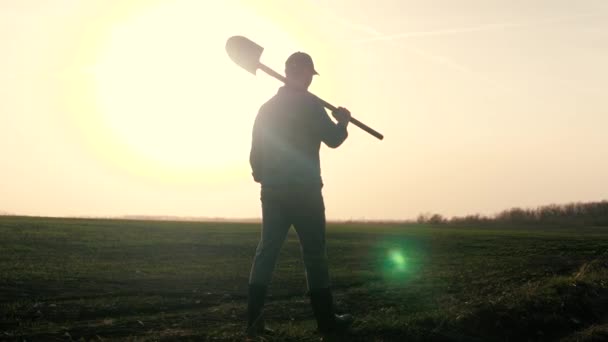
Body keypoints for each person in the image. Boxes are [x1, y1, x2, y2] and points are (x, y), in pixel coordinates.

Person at [246, 51, 354, 337]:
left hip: (273, 190)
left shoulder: (267, 108)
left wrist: (264, 178)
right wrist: (342, 121)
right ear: (305, 73)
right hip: (305, 191)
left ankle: (253, 322)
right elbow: (332, 139)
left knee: (266, 251)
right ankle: (326, 322)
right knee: (315, 254)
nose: (309, 80)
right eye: (309, 74)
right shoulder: (310, 106)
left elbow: (255, 153)